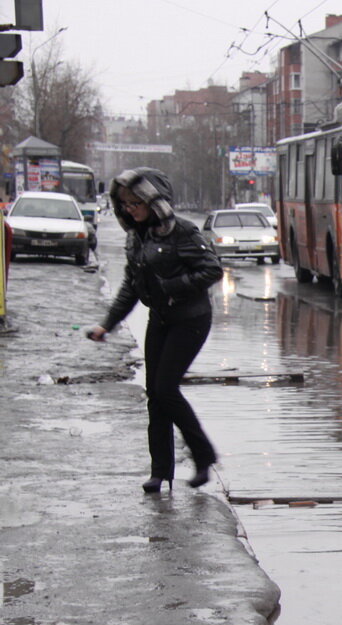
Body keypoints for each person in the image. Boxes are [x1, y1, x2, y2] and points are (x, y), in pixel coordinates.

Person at [86, 168, 223, 493]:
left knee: (166, 389)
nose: (130, 209)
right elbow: (131, 287)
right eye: (126, 204)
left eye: (136, 202)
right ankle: (160, 472)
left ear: (154, 201)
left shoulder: (183, 232)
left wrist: (174, 286)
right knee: (155, 397)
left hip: (191, 319)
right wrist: (107, 323)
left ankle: (204, 455)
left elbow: (212, 269)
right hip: (160, 319)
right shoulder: (137, 237)